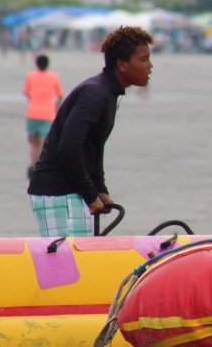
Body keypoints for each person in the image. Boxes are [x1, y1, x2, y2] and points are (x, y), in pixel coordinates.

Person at [27, 26, 154, 236]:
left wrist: (100, 189)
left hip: (73, 191)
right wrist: (90, 193)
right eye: (144, 59)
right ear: (122, 65)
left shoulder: (109, 93)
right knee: (67, 266)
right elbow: (68, 146)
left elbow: (94, 147)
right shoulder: (96, 93)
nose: (150, 66)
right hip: (58, 192)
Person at [23, 54, 64, 178]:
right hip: (48, 113)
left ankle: (33, 166)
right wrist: (56, 107)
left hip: (32, 112)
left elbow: (27, 93)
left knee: (33, 143)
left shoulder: (30, 76)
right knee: (43, 143)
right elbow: (60, 96)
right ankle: (40, 167)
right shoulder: (54, 77)